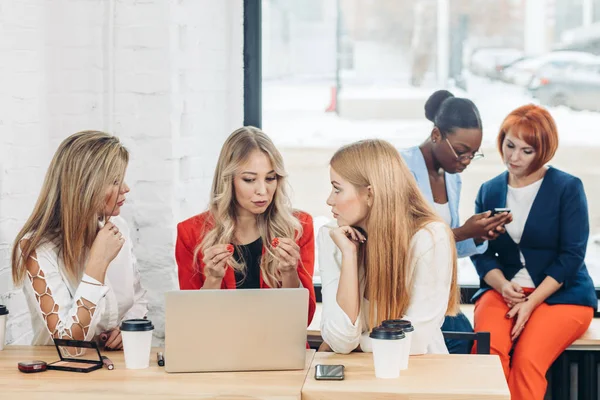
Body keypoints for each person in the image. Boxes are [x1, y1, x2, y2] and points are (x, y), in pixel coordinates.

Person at [471, 104, 596, 400]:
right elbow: (481, 252)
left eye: (526, 151)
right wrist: (501, 285)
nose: (513, 157)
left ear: (543, 151)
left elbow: (572, 256)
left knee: (528, 360)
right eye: (509, 145)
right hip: (506, 289)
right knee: (487, 356)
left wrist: (532, 302)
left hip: (562, 294)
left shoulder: (567, 187)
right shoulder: (489, 190)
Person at [318, 139, 459, 355]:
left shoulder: (430, 237)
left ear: (370, 194)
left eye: (337, 190)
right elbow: (341, 341)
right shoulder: (333, 236)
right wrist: (349, 255)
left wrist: (360, 344)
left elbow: (416, 340)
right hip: (358, 373)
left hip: (419, 370)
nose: (329, 200)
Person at [11, 131, 148, 349]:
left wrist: (126, 328)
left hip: (114, 367)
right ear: (84, 187)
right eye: (114, 181)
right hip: (59, 375)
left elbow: (137, 300)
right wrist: (98, 263)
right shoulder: (37, 248)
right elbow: (69, 345)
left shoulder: (118, 228)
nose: (125, 188)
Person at [401, 89, 512, 354]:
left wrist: (478, 235)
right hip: (405, 293)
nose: (467, 161)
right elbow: (399, 243)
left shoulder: (452, 178)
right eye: (461, 151)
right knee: (459, 343)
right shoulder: (400, 167)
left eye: (474, 154)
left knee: (466, 341)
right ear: (436, 134)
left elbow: (447, 243)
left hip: (437, 291)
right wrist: (462, 232)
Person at [176, 126, 316, 325]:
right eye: (249, 179)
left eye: (270, 178)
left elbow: (303, 320)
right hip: (221, 351)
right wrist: (213, 279)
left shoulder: (298, 227)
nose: (262, 190)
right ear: (228, 180)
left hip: (280, 350)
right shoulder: (191, 232)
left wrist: (289, 272)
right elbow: (193, 323)